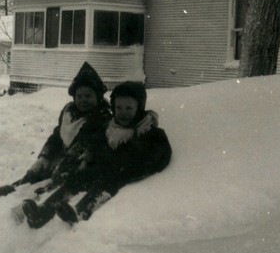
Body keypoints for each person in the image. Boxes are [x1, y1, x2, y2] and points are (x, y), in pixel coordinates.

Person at [21, 81, 171, 229]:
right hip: (100, 167)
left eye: (129, 108)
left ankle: (79, 212)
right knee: (77, 179)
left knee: (105, 183)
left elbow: (161, 155)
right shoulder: (109, 127)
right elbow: (94, 143)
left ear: (139, 108)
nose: (123, 112)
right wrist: (89, 156)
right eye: (118, 108)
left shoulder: (148, 132)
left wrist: (139, 166)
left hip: (122, 173)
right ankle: (43, 211)